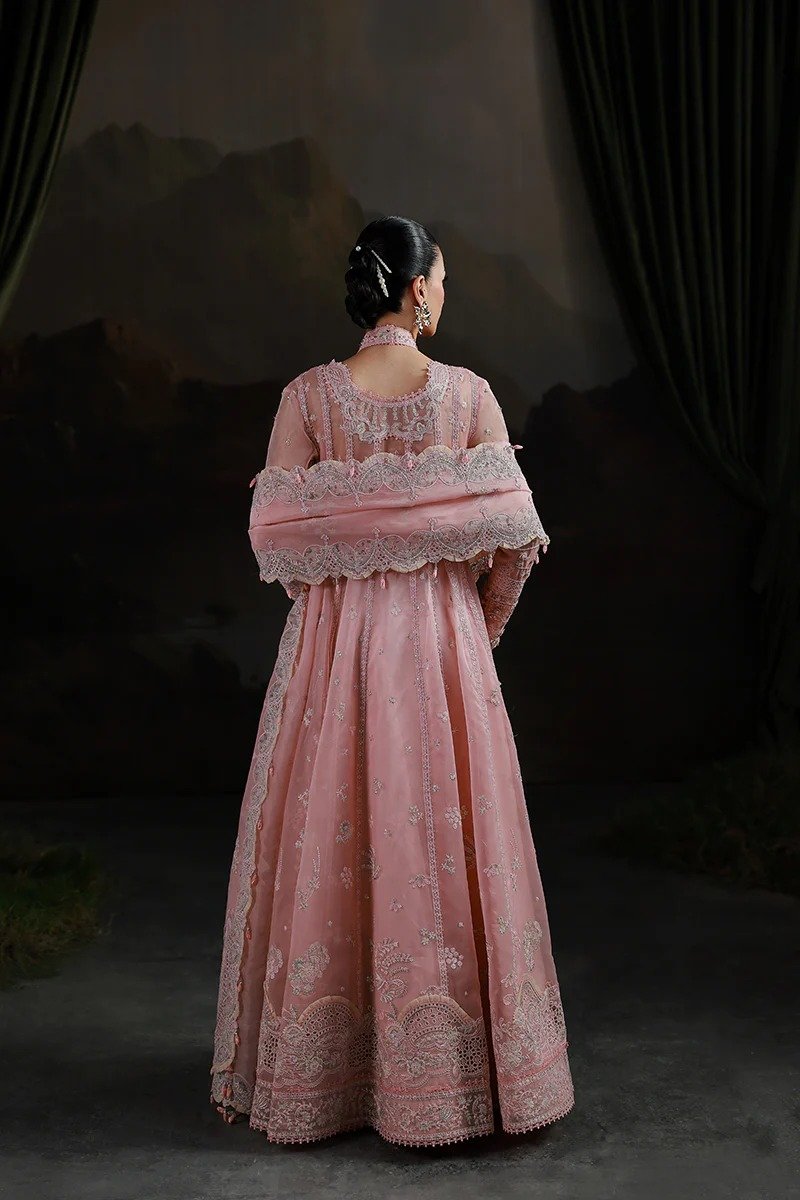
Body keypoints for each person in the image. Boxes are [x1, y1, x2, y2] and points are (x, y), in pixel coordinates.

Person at [209, 215, 575, 1147]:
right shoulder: (469, 396)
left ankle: (325, 1077)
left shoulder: (308, 397)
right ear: (416, 291)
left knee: (330, 833)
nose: (443, 294)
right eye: (441, 280)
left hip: (333, 649)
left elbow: (274, 534)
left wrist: (343, 574)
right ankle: (456, 1081)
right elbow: (516, 539)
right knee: (446, 837)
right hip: (444, 647)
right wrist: (474, 628)